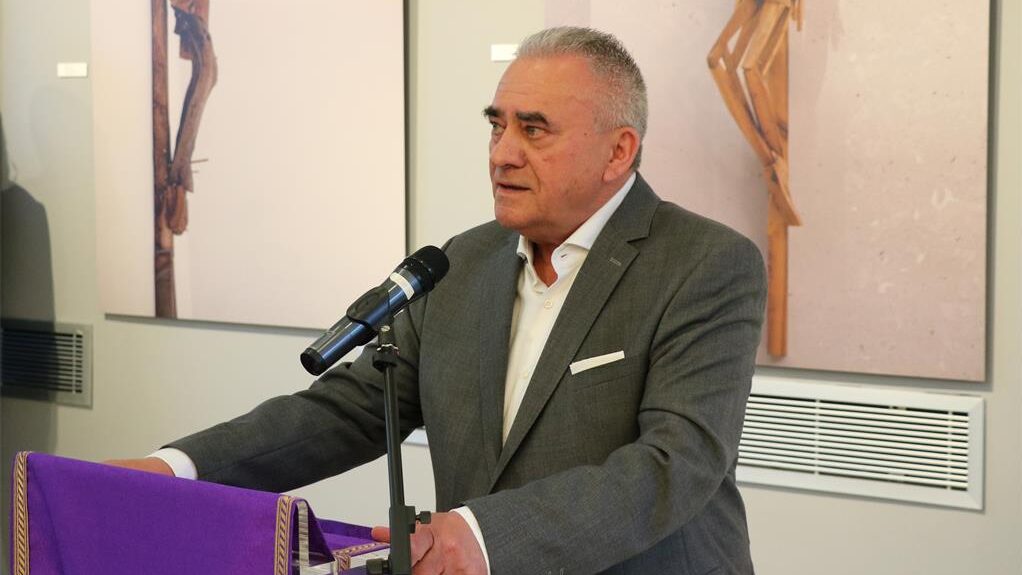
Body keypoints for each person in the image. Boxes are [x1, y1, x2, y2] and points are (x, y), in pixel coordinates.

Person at [110, 27, 766, 574]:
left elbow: (675, 463)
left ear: (618, 151)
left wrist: (481, 535)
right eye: (497, 126)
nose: (503, 154)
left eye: (534, 131)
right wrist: (177, 472)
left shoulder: (705, 264)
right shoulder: (463, 261)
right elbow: (350, 410)